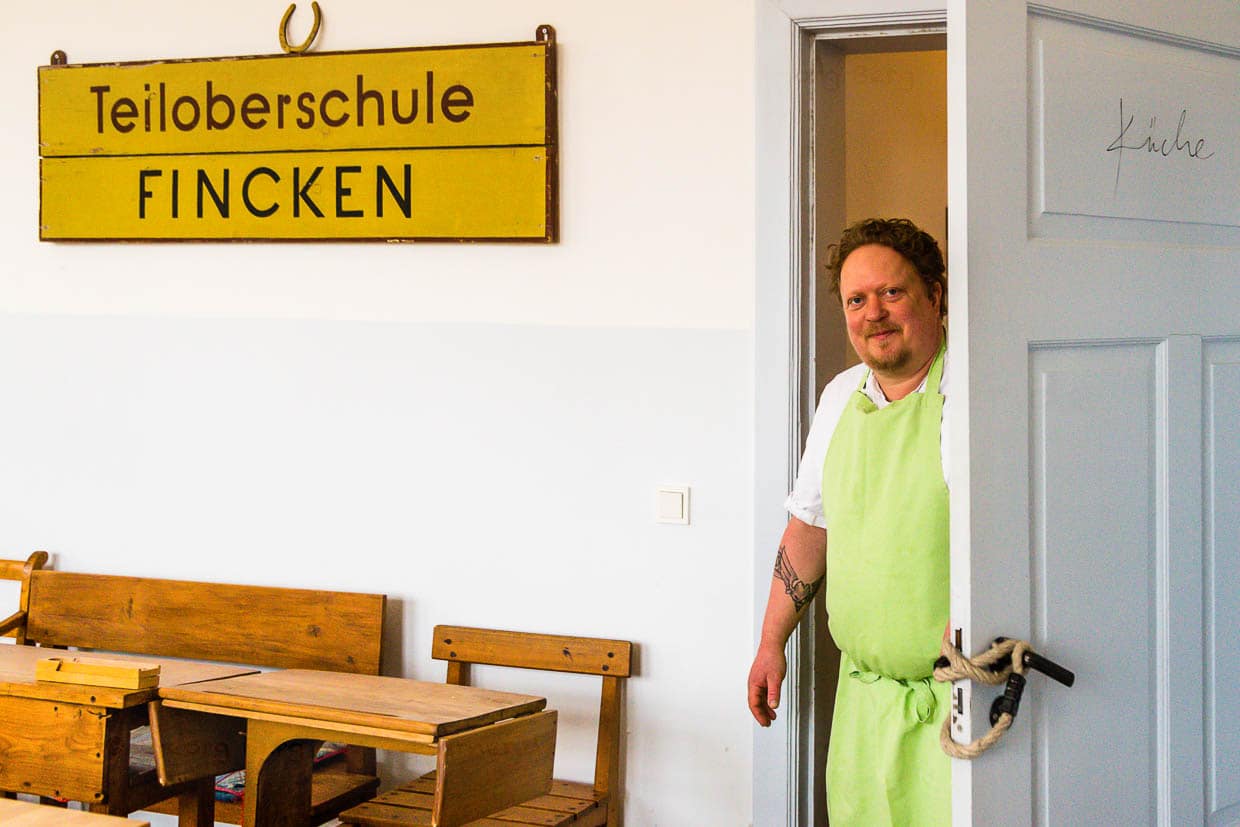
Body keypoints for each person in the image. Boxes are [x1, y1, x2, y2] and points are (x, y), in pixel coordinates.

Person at [747, 217, 951, 825]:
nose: (874, 314)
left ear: (934, 296)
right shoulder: (840, 396)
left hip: (955, 702)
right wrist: (769, 642)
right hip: (862, 706)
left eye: (892, 293)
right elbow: (810, 530)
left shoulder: (974, 393)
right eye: (856, 300)